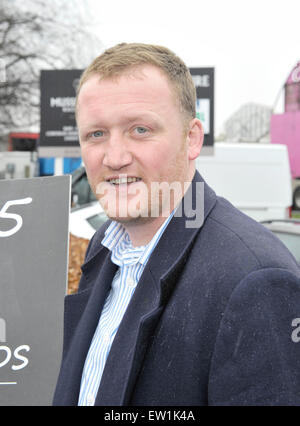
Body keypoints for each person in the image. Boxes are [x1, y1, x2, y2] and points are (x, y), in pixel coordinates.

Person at [53, 43, 300, 406]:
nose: (115, 157)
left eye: (139, 129)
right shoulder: (105, 244)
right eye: (96, 134)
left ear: (192, 139)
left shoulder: (256, 278)